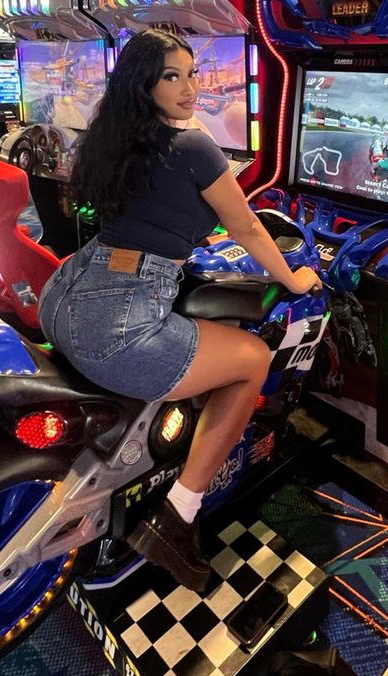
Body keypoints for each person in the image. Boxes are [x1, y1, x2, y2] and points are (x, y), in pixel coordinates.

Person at [38, 29, 320, 592]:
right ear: (145, 84)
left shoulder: (113, 136)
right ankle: (177, 516)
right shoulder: (193, 145)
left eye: (193, 73)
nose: (191, 87)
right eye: (173, 76)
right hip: (119, 318)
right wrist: (293, 276)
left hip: (66, 294)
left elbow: (151, 215)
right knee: (253, 359)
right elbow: (244, 226)